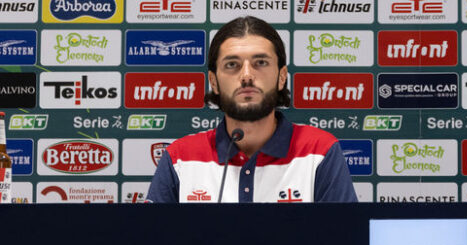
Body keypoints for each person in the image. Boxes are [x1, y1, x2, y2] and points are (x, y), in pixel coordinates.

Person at [147, 16, 358, 203]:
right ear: (214, 81)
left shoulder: (319, 151)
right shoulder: (180, 158)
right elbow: (154, 244)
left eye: (261, 62)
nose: (247, 75)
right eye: (232, 65)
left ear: (281, 77)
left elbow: (343, 241)